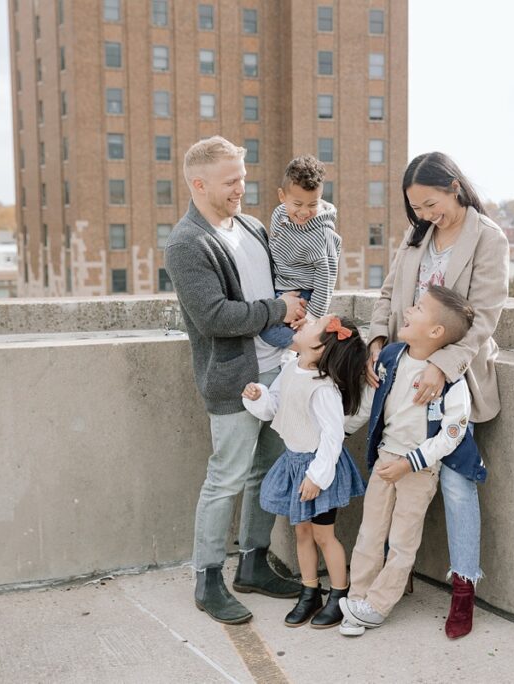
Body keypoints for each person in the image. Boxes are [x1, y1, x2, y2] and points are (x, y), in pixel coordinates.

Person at [366, 152, 509, 639]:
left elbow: (484, 318)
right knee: (390, 477)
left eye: (431, 203)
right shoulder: (416, 236)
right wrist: (377, 342)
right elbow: (388, 296)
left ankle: (464, 587)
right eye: (417, 208)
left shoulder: (489, 239)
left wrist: (441, 368)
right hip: (401, 377)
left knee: (454, 483)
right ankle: (391, 577)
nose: (426, 215)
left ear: (454, 186)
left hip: (456, 381)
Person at [165, 136, 307, 625]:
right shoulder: (188, 243)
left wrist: (293, 308)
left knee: (265, 471)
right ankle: (207, 580)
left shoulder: (251, 226)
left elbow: (278, 282)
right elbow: (214, 317)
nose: (241, 188)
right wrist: (278, 308)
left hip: (278, 369)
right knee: (225, 478)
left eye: (243, 178)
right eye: (231, 181)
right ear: (199, 183)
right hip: (234, 379)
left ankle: (253, 564)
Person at [340, 286, 482, 637]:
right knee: (370, 533)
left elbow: (452, 434)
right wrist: (335, 433)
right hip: (386, 459)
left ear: (436, 332)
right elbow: (368, 406)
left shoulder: (452, 382)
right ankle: (357, 597)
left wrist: (412, 463)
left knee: (403, 541)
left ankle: (377, 605)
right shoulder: (390, 357)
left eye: (417, 308)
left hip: (418, 469)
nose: (407, 311)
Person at [242, 314, 370, 628]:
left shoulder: (323, 388)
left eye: (312, 325)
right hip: (294, 462)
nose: (303, 323)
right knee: (301, 532)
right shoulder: (290, 367)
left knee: (323, 535)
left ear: (317, 348)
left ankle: (339, 595)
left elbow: (332, 435)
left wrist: (316, 476)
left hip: (318, 467)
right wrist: (259, 396)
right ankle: (309, 590)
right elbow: (275, 405)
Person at [258, 155, 342, 349]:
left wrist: (312, 317)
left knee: (266, 329)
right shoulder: (279, 215)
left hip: (304, 295)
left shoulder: (323, 234)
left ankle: (313, 348)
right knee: (261, 320)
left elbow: (326, 280)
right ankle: (303, 350)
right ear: (282, 196)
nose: (304, 212)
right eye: (297, 204)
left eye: (312, 204)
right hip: (279, 289)